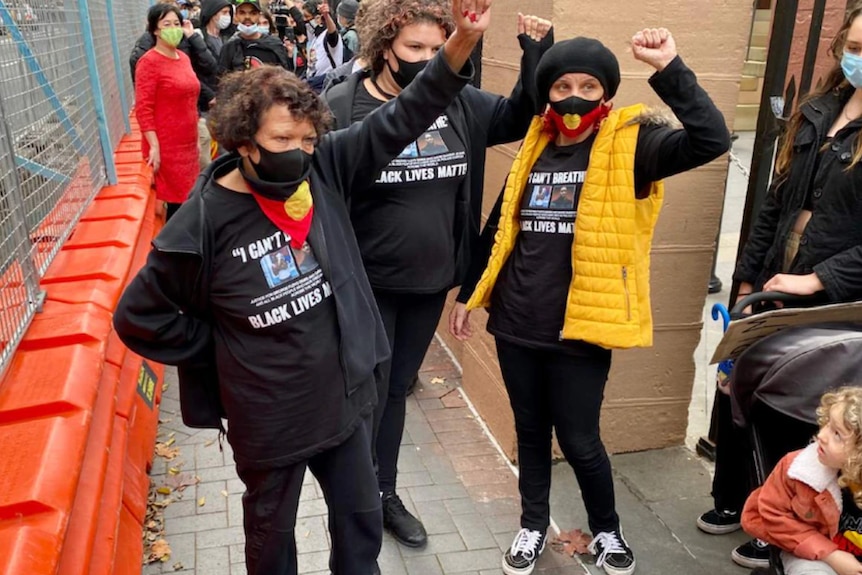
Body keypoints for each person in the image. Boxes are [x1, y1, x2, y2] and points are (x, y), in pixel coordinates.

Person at [112, 1, 491, 573]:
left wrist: (461, 40)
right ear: (244, 141)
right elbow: (137, 316)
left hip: (344, 397)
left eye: (309, 139)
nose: (301, 153)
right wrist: (223, 345)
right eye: (285, 140)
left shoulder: (324, 169)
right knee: (272, 541)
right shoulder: (201, 223)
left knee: (359, 527)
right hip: (270, 415)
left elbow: (408, 112)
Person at [452, 28, 730, 575]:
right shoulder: (534, 145)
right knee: (530, 433)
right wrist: (469, 294)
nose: (573, 96)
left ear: (605, 92)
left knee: (580, 440)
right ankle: (532, 526)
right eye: (561, 85)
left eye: (587, 84)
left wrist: (668, 66)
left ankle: (608, 532)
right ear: (546, 93)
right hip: (516, 321)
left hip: (580, 327)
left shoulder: (633, 147)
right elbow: (500, 226)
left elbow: (711, 139)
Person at [324, 2, 552, 551]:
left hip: (429, 282)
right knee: (367, 394)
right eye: (414, 50)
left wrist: (535, 57)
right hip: (365, 284)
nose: (427, 62)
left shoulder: (460, 101)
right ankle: (354, 499)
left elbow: (517, 115)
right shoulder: (344, 104)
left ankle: (383, 493)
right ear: (384, 48)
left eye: (435, 50)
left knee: (397, 389)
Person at [698, 4, 862, 568]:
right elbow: (775, 198)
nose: (860, 60)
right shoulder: (821, 108)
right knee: (741, 381)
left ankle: (783, 527)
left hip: (835, 290)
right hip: (779, 268)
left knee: (796, 406)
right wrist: (748, 271)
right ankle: (736, 501)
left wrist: (818, 277)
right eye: (856, 47)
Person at [741, 387, 862, 575]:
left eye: (837, 434)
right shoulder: (800, 470)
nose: (821, 436)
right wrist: (831, 555)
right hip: (811, 550)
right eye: (828, 424)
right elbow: (771, 515)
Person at [135, 3, 201, 221]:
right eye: (166, 24)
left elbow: (191, 98)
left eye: (176, 23)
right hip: (166, 147)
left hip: (189, 145)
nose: (173, 28)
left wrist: (196, 138)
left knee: (190, 201)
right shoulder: (148, 62)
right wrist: (153, 145)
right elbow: (144, 108)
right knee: (175, 207)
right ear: (155, 29)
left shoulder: (184, 58)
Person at [218, 0, 291, 74]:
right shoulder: (230, 47)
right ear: (236, 16)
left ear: (259, 15)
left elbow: (285, 77)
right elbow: (222, 79)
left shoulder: (274, 44)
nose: (247, 17)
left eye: (253, 13)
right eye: (242, 13)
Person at [302, 0, 344, 90]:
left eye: (307, 16)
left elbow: (332, 33)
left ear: (318, 18)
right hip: (312, 83)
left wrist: (326, 16)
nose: (304, 20)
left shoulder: (327, 36)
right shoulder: (314, 38)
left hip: (326, 85)